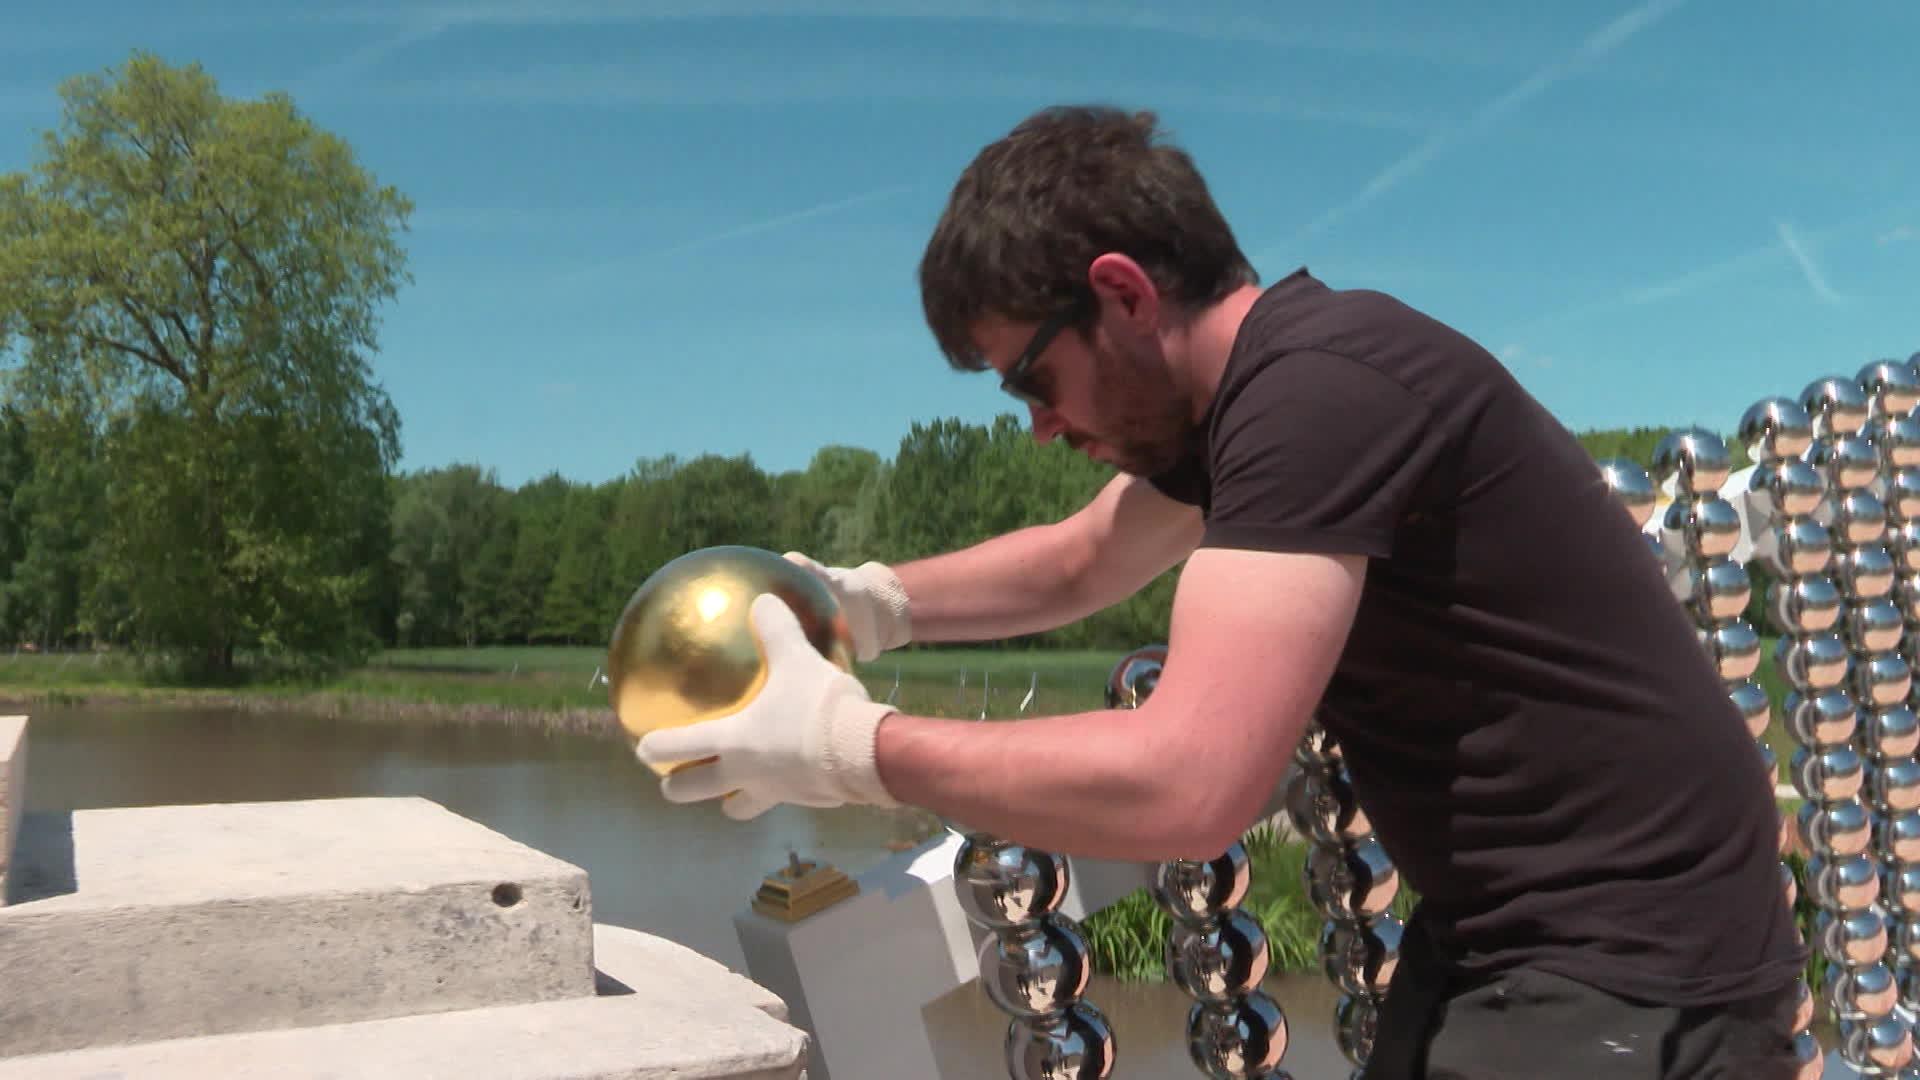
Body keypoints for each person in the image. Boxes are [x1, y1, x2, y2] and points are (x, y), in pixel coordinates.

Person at [635, 105, 1808, 1078]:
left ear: (1124, 294)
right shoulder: (1267, 393)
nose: (1040, 426)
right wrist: (862, 600)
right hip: (1534, 933)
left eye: (1032, 380)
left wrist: (848, 748)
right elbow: (1080, 560)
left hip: (1633, 966)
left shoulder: (1315, 397)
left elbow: (1190, 783)